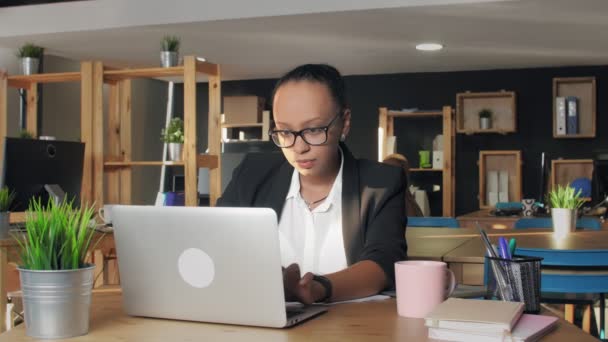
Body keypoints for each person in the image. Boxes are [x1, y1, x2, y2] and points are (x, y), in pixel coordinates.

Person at [217, 64, 407, 304]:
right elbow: (218, 242)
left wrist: (317, 288)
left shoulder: (380, 184)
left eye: (314, 129)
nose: (299, 147)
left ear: (344, 122)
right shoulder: (251, 174)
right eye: (285, 132)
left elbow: (383, 263)